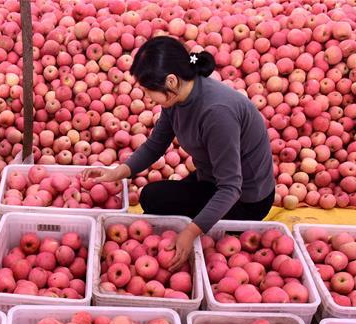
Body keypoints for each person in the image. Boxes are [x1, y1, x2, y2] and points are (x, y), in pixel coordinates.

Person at [82, 36, 276, 272]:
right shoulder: (176, 99)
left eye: (147, 90)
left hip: (246, 197)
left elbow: (230, 187)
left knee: (167, 210)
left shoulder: (217, 113)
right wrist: (116, 172)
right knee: (152, 197)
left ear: (171, 81)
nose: (146, 96)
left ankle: (234, 226)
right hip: (211, 178)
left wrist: (191, 232)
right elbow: (155, 145)